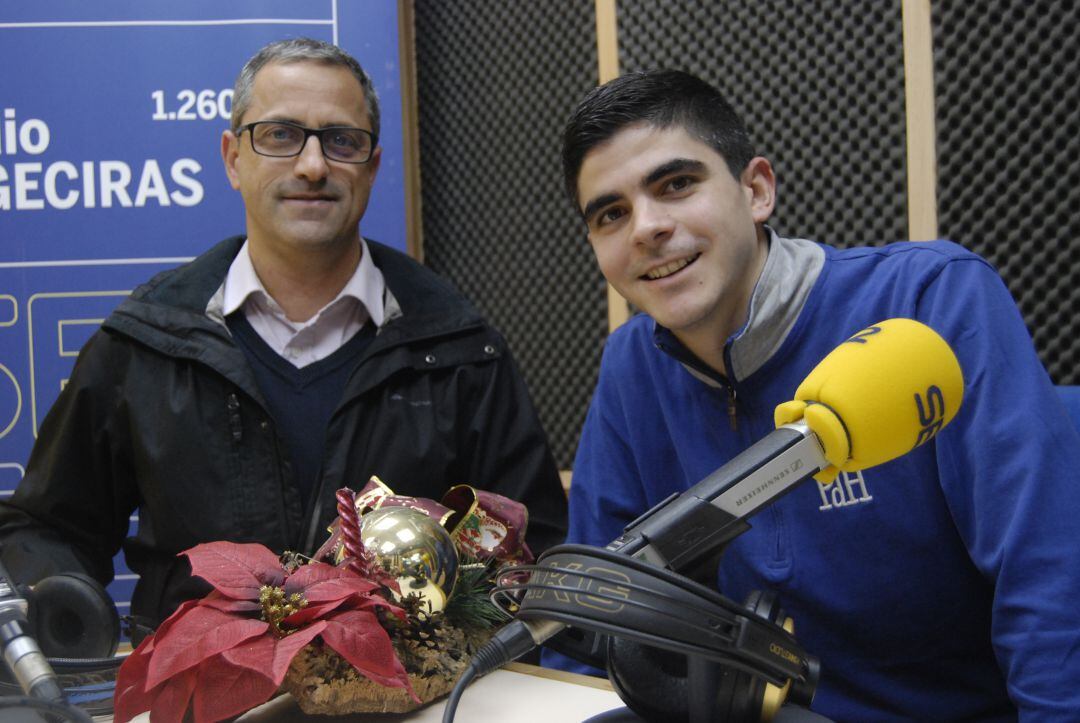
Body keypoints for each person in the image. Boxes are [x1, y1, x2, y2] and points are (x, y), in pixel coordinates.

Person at [546, 70, 1080, 720]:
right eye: (611, 213)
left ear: (757, 190)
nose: (646, 227)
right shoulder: (631, 367)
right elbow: (593, 620)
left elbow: (1051, 587)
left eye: (676, 184)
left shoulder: (932, 299)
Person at [0, 38, 567, 640]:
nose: (313, 166)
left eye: (341, 140)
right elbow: (45, 530)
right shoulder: (144, 342)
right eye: (279, 135)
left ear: (373, 166)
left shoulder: (460, 350)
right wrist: (70, 622)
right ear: (232, 158)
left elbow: (531, 554)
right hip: (196, 702)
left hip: (405, 704)